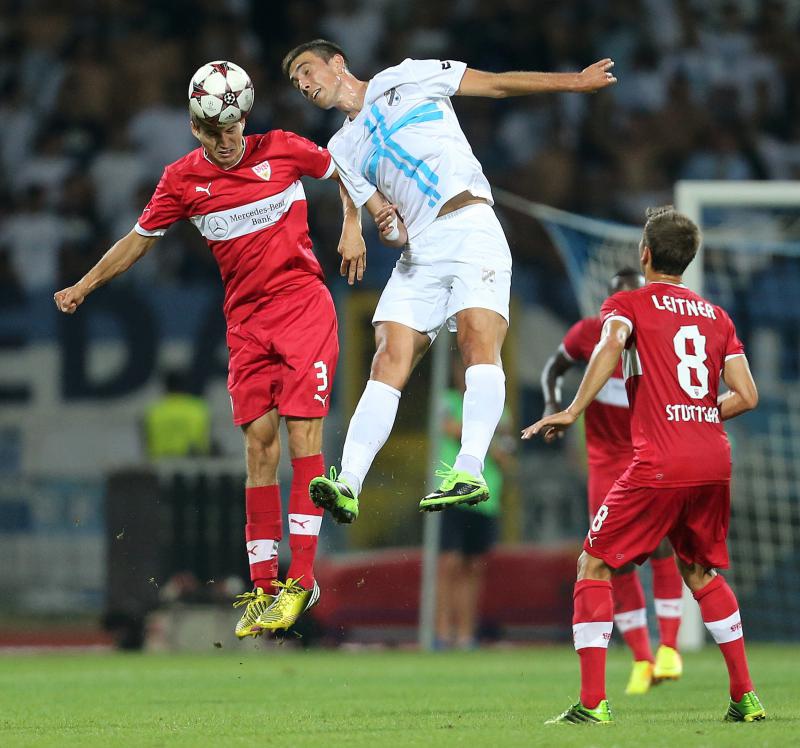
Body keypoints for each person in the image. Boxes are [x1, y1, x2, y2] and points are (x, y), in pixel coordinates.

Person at [53, 60, 403, 638]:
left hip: (303, 309)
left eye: (232, 128)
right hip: (245, 324)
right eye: (212, 131)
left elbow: (343, 167)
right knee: (258, 450)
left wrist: (353, 224)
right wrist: (84, 286)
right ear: (195, 128)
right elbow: (137, 242)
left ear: (243, 117)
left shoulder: (283, 148)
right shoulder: (181, 181)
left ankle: (302, 580)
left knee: (302, 436)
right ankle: (265, 588)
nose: (224, 140)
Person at [281, 39, 617, 523]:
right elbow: (358, 199)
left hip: (470, 226)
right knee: (387, 356)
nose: (305, 85)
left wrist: (575, 83)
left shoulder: (409, 75)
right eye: (297, 83)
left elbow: (496, 85)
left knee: (479, 342)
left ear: (338, 63)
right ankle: (348, 483)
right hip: (418, 252)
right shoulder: (340, 146)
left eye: (309, 71)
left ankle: (469, 469)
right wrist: (358, 226)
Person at [524, 206, 764, 724]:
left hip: (661, 459)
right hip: (714, 458)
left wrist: (572, 409)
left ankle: (592, 704)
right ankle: (745, 697)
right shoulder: (717, 316)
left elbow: (609, 344)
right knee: (699, 571)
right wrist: (699, 413)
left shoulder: (627, 303)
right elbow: (747, 395)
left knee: (594, 563)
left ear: (646, 254)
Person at [541, 268, 686, 695]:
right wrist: (554, 405)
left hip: (649, 455)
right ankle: (643, 658)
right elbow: (553, 368)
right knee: (611, 558)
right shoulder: (589, 334)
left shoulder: (658, 336)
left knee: (663, 546)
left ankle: (670, 649)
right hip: (605, 464)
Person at [435, 356, 513, 650]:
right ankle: (442, 633)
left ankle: (465, 634)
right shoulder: (447, 401)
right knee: (449, 563)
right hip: (452, 492)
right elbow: (447, 428)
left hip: (485, 498)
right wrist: (485, 436)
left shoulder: (500, 410)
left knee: (474, 567)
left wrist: (482, 439)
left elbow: (506, 457)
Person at [143, 369, 213, 460]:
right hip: (192, 467)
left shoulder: (153, 412)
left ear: (165, 387)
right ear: (185, 386)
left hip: (160, 467)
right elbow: (205, 442)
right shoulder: (198, 409)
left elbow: (147, 444)